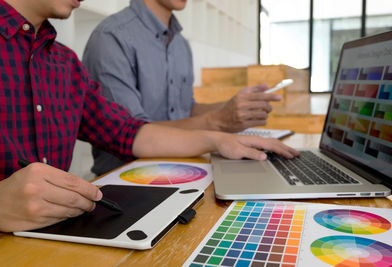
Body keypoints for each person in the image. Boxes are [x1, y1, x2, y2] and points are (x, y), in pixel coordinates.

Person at [0, 0, 298, 233]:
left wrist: (220, 138)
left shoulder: (64, 62)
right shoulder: (112, 36)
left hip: (59, 233)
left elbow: (128, 131)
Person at [83, 0, 282, 176]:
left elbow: (186, 109)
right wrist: (218, 122)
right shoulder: (111, 37)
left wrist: (232, 108)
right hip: (126, 180)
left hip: (184, 168)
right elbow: (132, 132)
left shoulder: (181, 44)